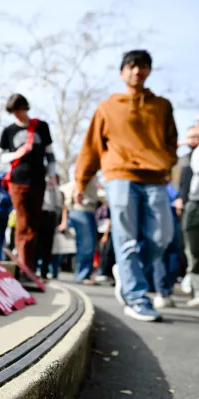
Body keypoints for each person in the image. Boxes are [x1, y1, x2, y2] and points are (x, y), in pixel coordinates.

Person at [74, 50, 178, 321]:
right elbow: (91, 148)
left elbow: (171, 141)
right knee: (126, 238)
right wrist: (80, 181)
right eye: (131, 66)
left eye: (142, 66)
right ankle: (136, 297)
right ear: (122, 73)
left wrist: (167, 163)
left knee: (161, 237)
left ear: (148, 71)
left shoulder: (162, 106)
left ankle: (127, 272)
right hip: (119, 174)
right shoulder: (108, 107)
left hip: (154, 176)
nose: (136, 71)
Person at [0, 93, 57, 273]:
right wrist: (17, 154)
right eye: (13, 112)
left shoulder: (41, 127)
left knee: (34, 223)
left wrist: (52, 176)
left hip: (38, 180)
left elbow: (50, 154)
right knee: (22, 221)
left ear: (25, 108)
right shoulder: (8, 131)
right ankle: (23, 265)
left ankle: (29, 265)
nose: (17, 114)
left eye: (19, 110)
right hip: (17, 181)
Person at [62, 177, 99, 285]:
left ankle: (83, 273)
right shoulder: (81, 176)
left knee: (88, 245)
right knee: (86, 244)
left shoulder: (90, 177)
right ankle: (82, 274)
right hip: (82, 209)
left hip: (88, 210)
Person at [179, 125, 199, 307]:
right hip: (193, 204)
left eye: (194, 136)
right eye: (189, 137)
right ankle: (196, 289)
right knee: (192, 250)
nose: (191, 140)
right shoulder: (188, 158)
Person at [37, 175, 62, 279]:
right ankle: (40, 269)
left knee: (45, 245)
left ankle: (42, 270)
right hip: (44, 214)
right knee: (43, 245)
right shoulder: (51, 185)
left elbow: (58, 204)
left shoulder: (53, 186)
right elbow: (58, 204)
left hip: (47, 215)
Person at [96, 202, 115, 284]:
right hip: (101, 231)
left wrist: (105, 235)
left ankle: (104, 272)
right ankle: (102, 272)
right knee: (102, 253)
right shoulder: (101, 208)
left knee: (106, 253)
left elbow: (110, 221)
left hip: (107, 233)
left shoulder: (110, 208)